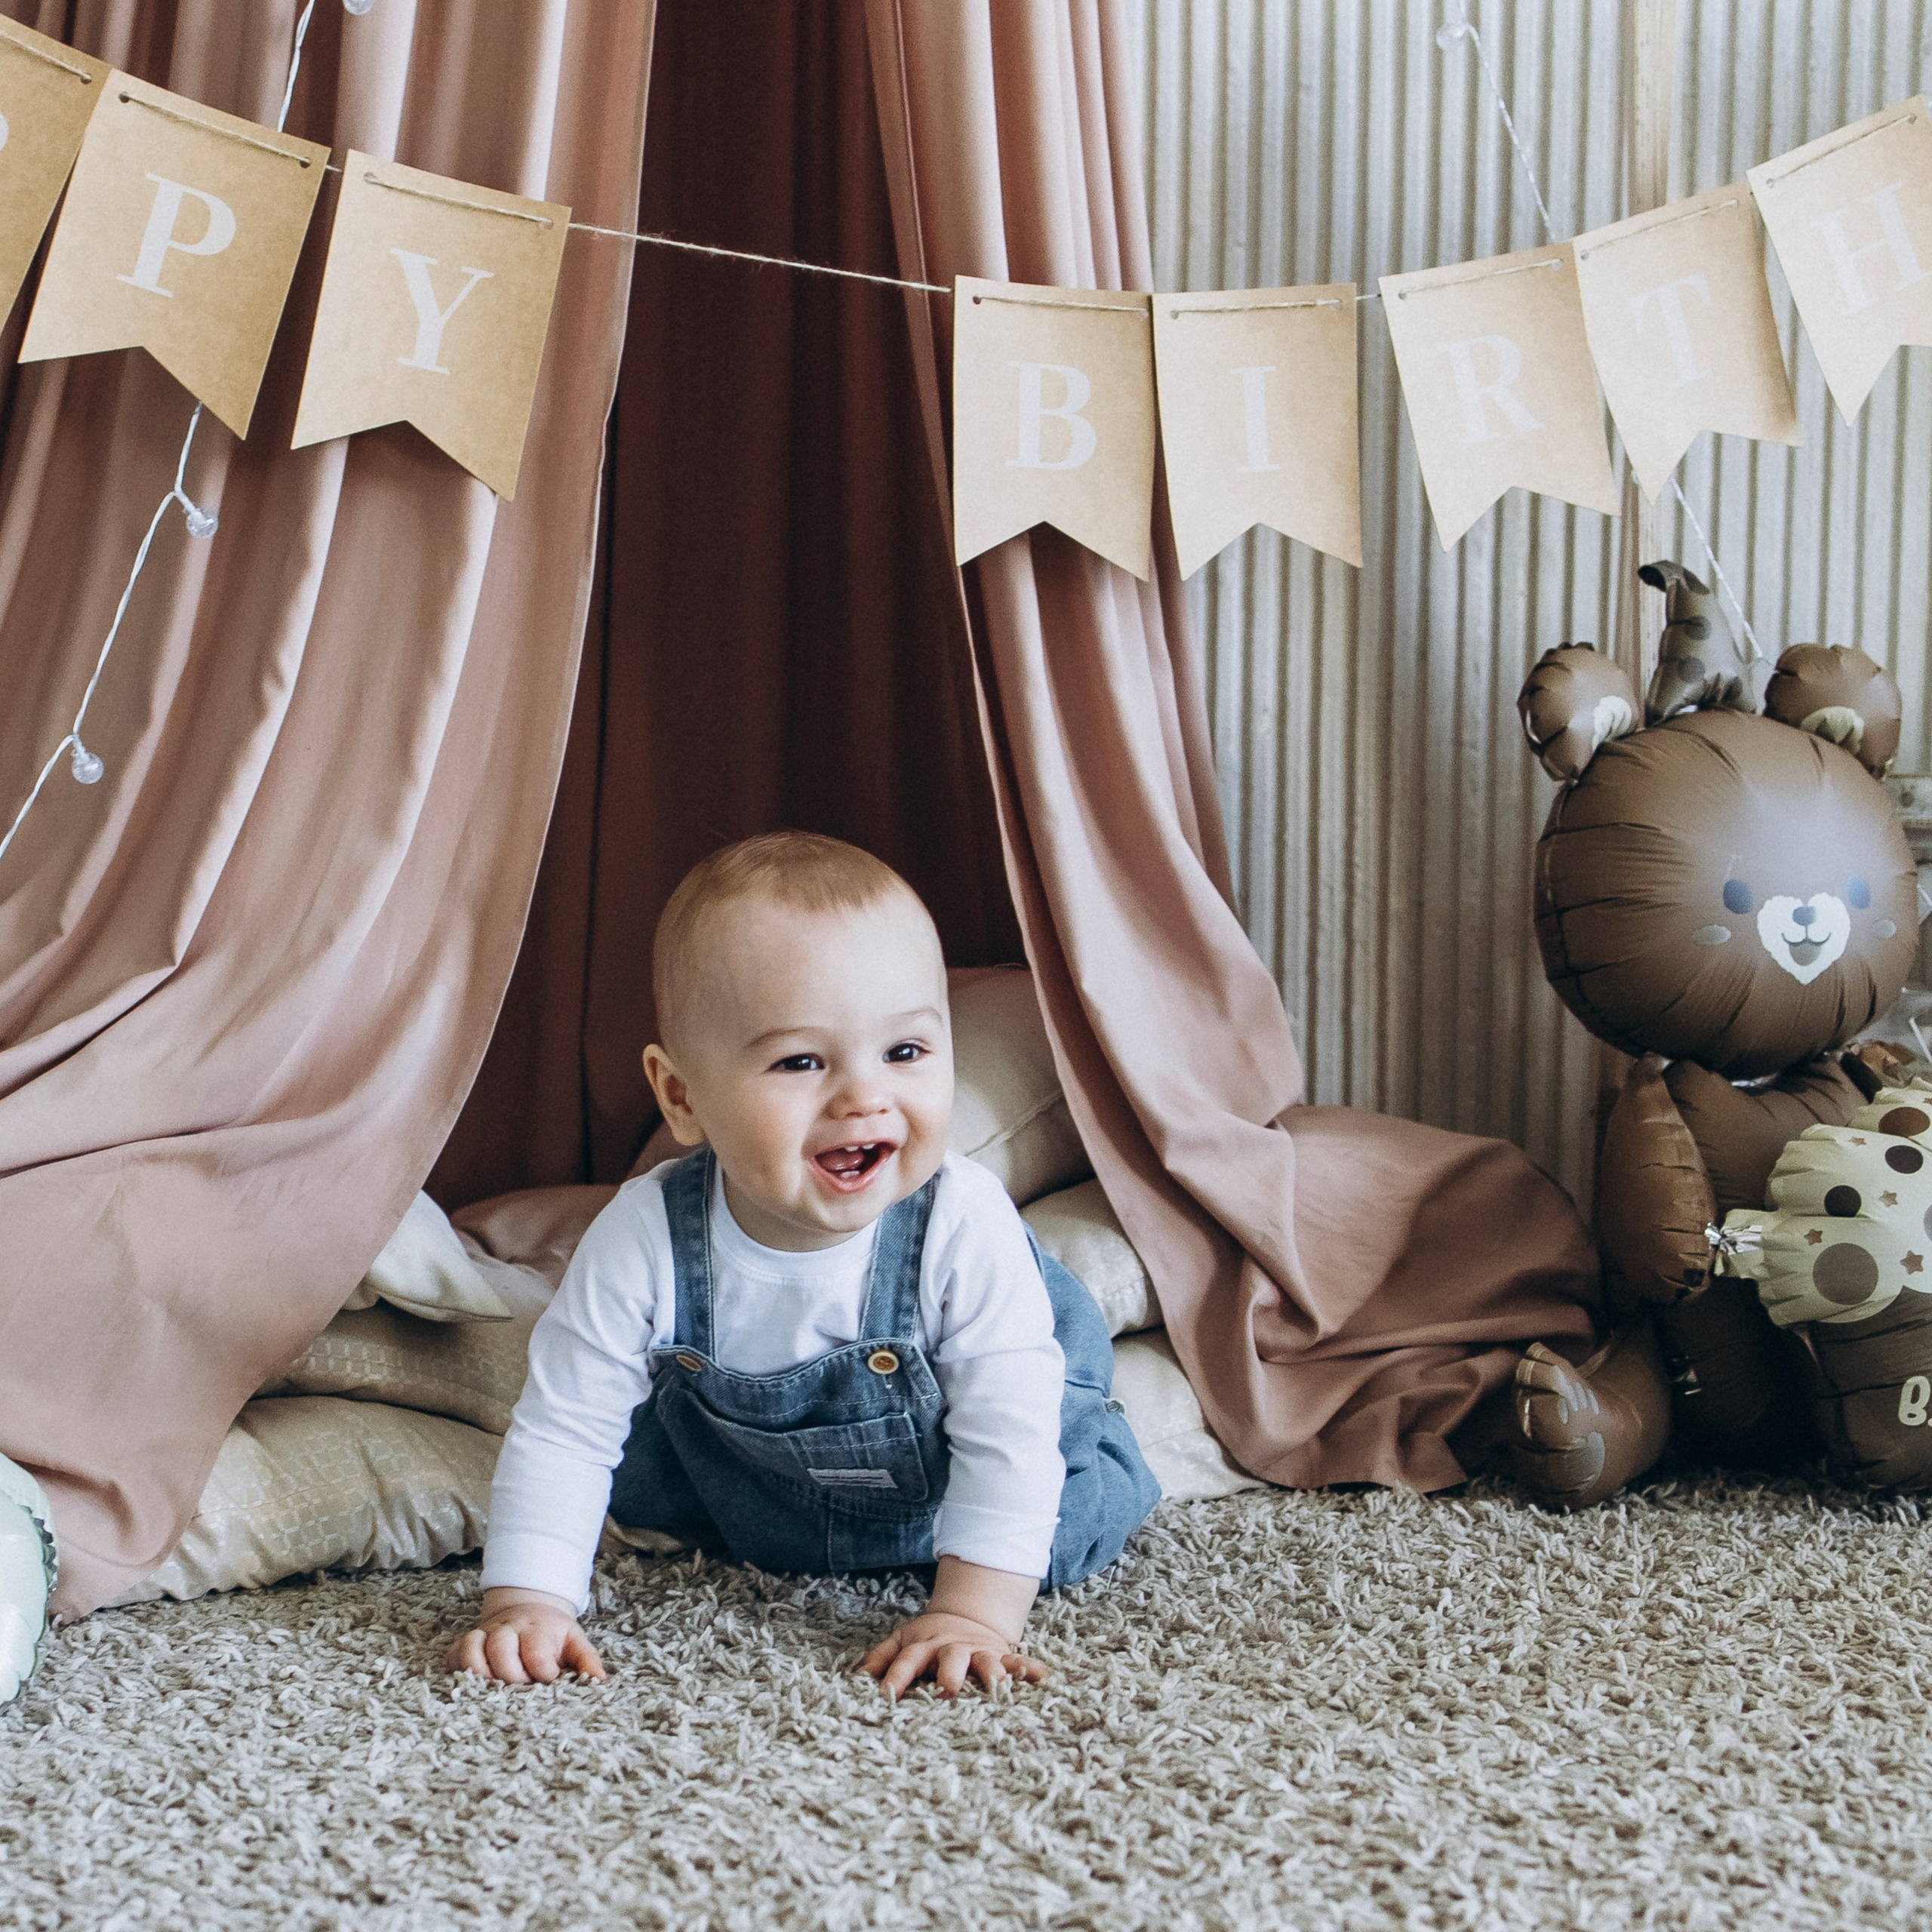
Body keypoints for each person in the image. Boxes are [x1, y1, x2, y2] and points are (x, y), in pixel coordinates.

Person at [446, 832, 1159, 1696]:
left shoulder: (961, 1223)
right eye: (801, 1061)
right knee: (636, 1475)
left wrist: (973, 1615)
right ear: (681, 1096)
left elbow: (1010, 1435)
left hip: (982, 1458)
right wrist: (528, 1602)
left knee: (1058, 1527)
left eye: (905, 1052)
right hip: (761, 1492)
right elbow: (566, 1428)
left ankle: (1127, 1447)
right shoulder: (646, 1235)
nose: (863, 1096)